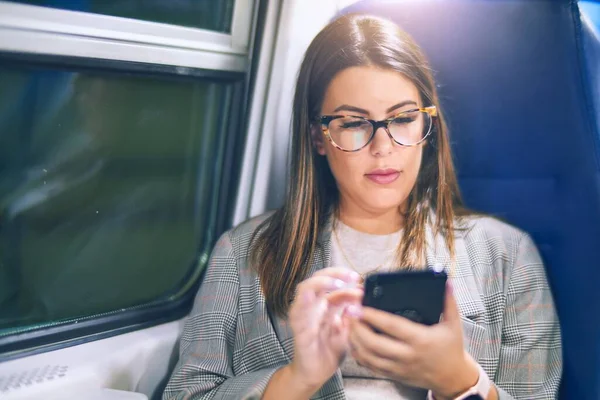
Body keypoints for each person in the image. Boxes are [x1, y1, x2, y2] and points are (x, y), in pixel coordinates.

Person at [162, 13, 562, 400]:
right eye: (354, 124)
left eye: (403, 118)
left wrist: (460, 381)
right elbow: (186, 394)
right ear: (318, 138)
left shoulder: (507, 255)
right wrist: (297, 380)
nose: (383, 148)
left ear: (428, 127)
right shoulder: (243, 252)